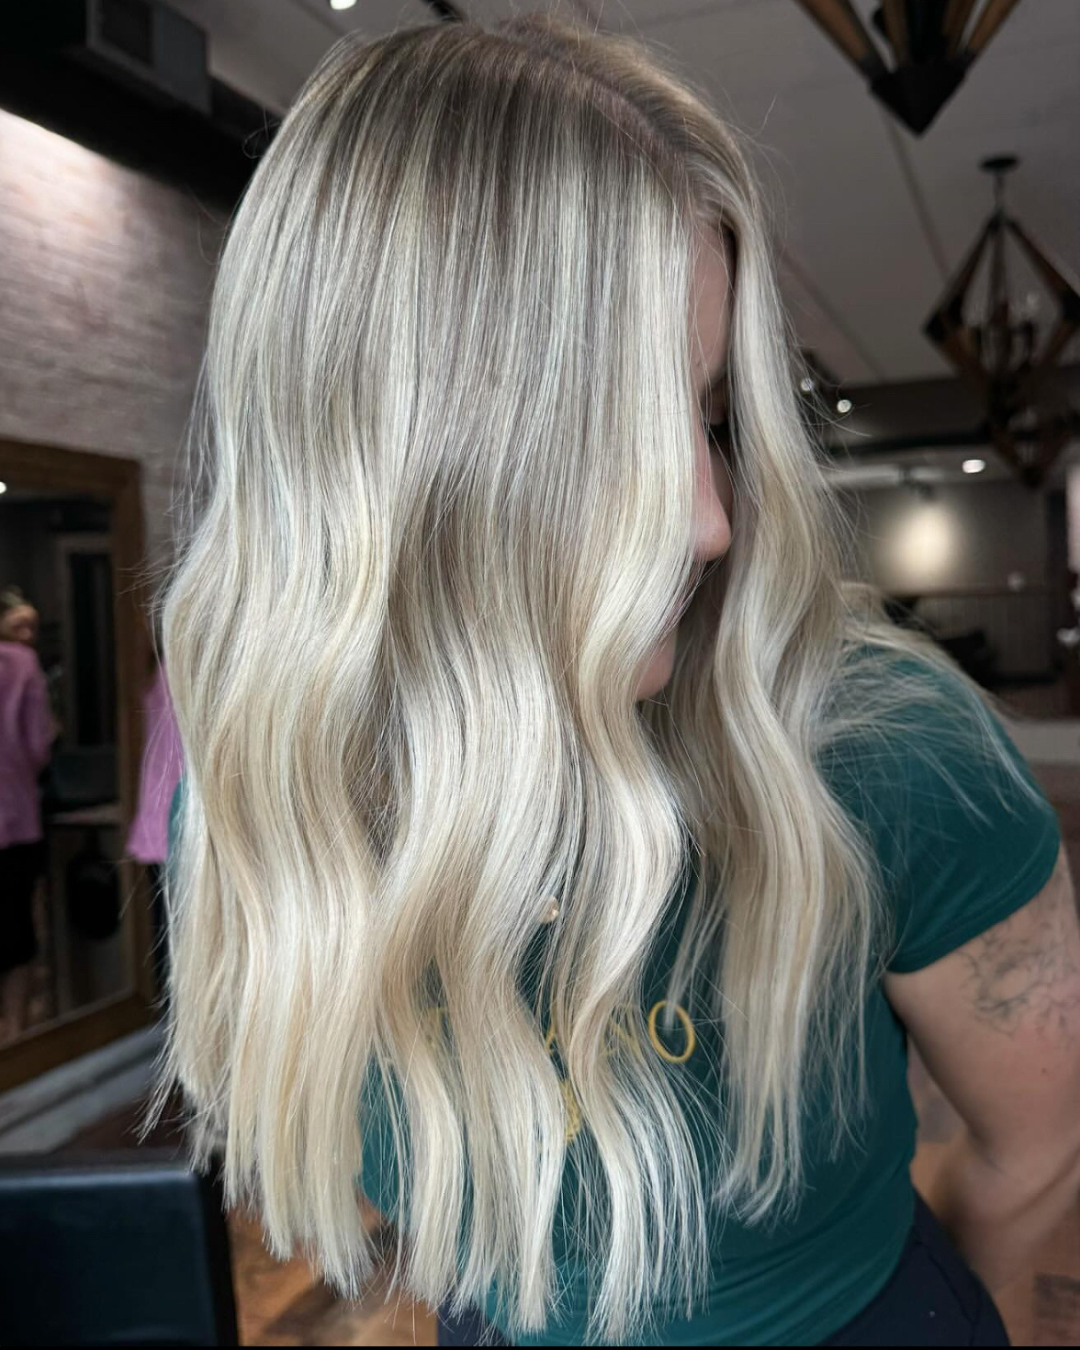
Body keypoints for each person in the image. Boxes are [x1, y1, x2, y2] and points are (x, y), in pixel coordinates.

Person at [147, 14, 1080, 1347]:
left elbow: (1037, 1143)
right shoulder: (259, 818)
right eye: (613, 431)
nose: (711, 520)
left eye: (709, 421)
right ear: (386, 468)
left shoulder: (877, 741)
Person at [0, 586, 57, 1042]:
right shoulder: (20, 664)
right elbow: (38, 744)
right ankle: (16, 1034)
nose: (28, 636)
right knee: (17, 932)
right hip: (13, 819)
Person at [125, 652, 184, 1011]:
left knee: (168, 939)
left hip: (154, 826)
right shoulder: (191, 665)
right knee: (189, 945)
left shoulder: (159, 672)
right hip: (184, 829)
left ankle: (174, 1032)